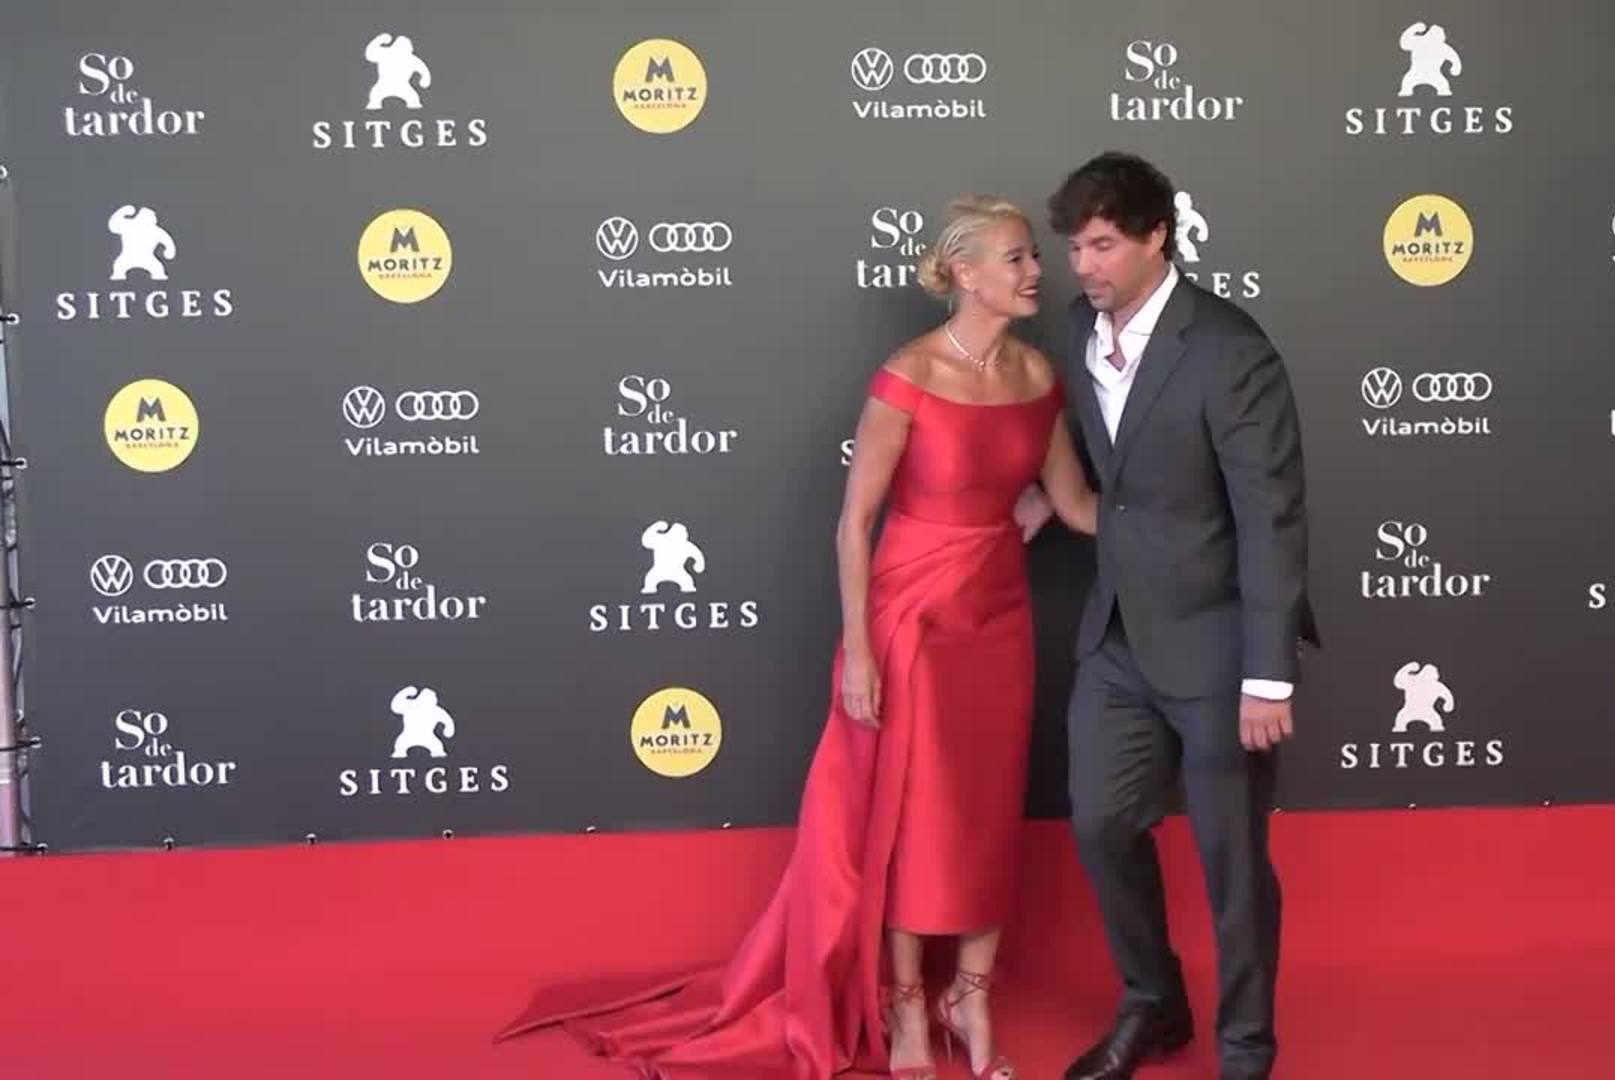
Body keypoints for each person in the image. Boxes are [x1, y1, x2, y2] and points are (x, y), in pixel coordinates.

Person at [495, 196, 1096, 1080]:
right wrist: (860, 650)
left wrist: (1179, 513)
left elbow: (1074, 505)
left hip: (998, 622)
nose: (1036, 270)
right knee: (912, 816)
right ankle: (906, 1007)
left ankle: (970, 997)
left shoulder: (1039, 377)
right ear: (966, 274)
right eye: (1017, 257)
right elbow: (855, 524)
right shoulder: (908, 375)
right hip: (910, 621)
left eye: (1034, 254)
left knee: (986, 808)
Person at [1041, 152, 1318, 1080]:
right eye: (1075, 247)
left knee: (1231, 863)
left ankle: (1245, 1051)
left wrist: (1268, 673)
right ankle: (1154, 1003)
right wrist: (1045, 500)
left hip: (1219, 647)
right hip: (1117, 637)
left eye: (1104, 245)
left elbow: (1271, 516)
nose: (1084, 265)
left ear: (1158, 235)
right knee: (1098, 824)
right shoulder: (1077, 329)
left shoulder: (1231, 351)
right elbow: (1108, 469)